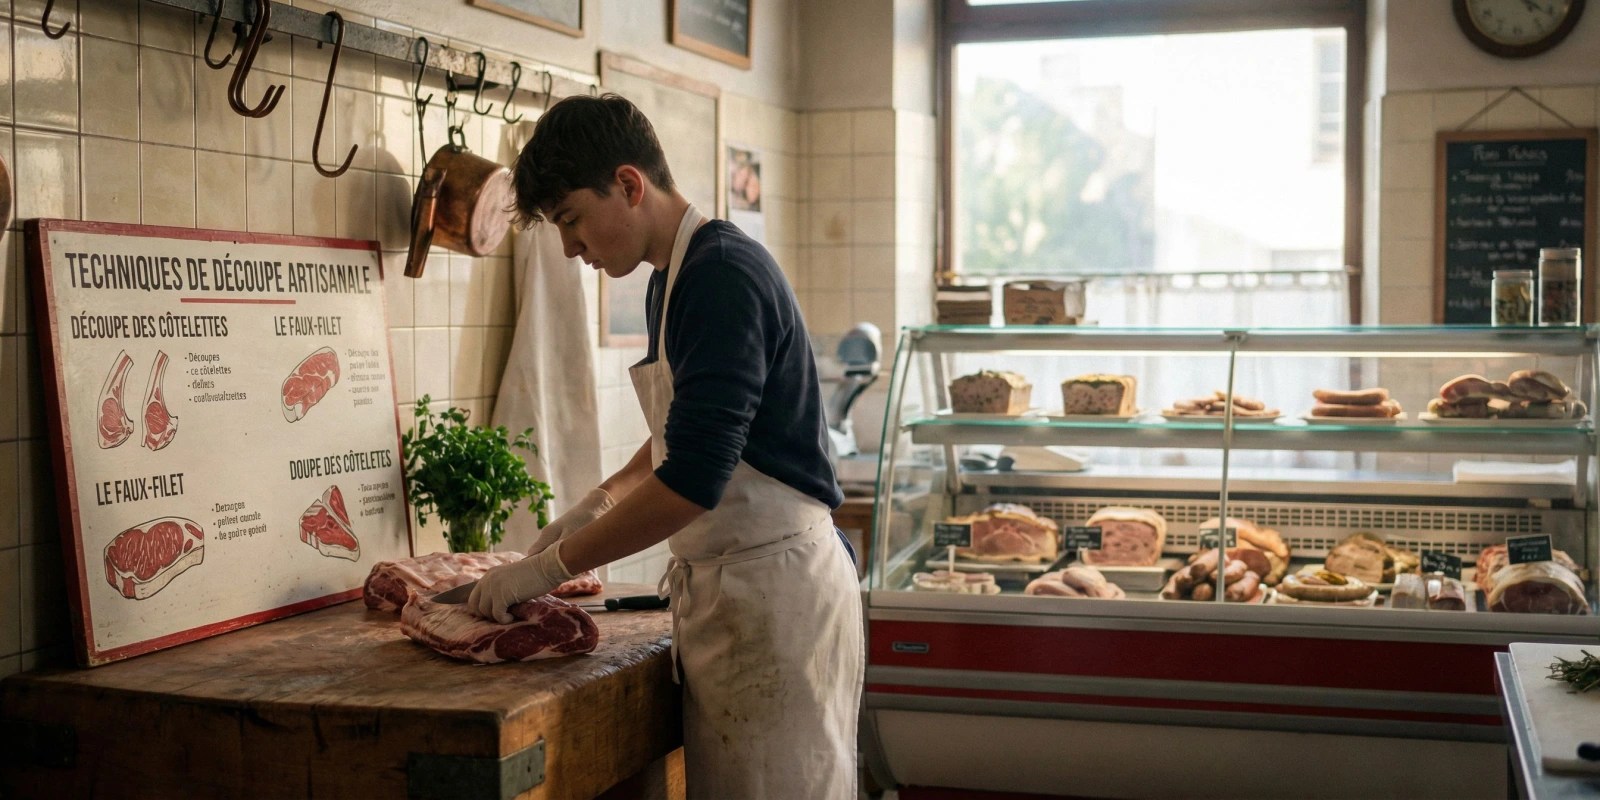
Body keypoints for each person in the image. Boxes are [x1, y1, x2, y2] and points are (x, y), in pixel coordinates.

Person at [468, 94, 864, 798]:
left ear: (628, 185)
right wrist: (602, 498)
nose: (570, 248)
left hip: (774, 596)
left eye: (571, 221)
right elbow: (683, 430)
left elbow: (696, 476)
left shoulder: (720, 277)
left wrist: (548, 569)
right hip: (732, 594)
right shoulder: (670, 279)